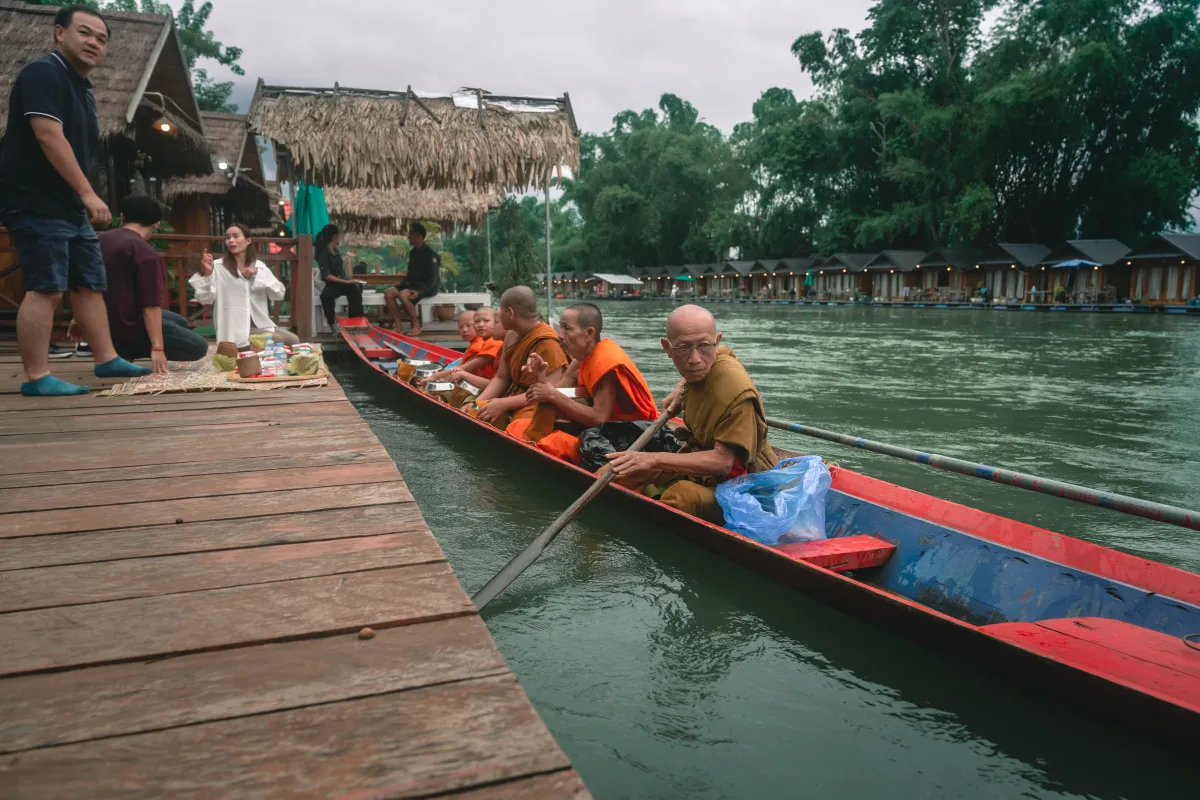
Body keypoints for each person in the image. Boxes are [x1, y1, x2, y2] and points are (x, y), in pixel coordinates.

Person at [0, 5, 151, 395]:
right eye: (84, 33)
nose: (93, 43)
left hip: (68, 202)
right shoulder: (43, 73)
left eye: (101, 39)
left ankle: (107, 358)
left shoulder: (83, 89)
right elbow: (48, 135)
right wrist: (87, 192)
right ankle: (36, 377)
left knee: (88, 281)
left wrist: (81, 193)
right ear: (59, 33)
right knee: (46, 285)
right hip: (34, 198)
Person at [607, 305, 778, 523]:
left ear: (715, 341)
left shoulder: (736, 390)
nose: (695, 359)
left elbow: (723, 462)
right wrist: (682, 386)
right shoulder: (707, 360)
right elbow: (724, 350)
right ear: (667, 348)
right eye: (683, 348)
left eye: (704, 346)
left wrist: (654, 459)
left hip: (745, 486)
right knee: (614, 472)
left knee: (679, 498)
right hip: (704, 468)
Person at [525, 303, 659, 464]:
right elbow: (557, 391)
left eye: (567, 329)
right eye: (561, 327)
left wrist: (552, 394)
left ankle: (532, 447)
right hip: (606, 426)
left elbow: (599, 418)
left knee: (555, 437)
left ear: (589, 333)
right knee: (539, 411)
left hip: (635, 433)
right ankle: (532, 443)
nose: (560, 335)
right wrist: (541, 377)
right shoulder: (582, 357)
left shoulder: (605, 361)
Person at [95, 195, 206, 372]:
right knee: (199, 347)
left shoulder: (99, 240)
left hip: (98, 322)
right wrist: (157, 348)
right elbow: (151, 306)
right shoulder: (145, 253)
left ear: (122, 217)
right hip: (126, 328)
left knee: (179, 322)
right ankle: (124, 351)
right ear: (156, 224)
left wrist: (78, 320)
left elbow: (84, 286)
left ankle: (119, 348)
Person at [474, 286, 568, 436]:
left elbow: (550, 392)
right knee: (473, 413)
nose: (498, 313)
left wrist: (503, 404)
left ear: (510, 313)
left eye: (500, 309)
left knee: (518, 432)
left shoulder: (547, 343)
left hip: (537, 404)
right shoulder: (511, 335)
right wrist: (476, 404)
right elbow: (501, 378)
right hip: (512, 396)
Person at [189, 223, 295, 348]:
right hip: (235, 330)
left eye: (235, 236)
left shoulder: (259, 266)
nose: (231, 240)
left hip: (260, 325)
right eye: (228, 237)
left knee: (293, 340)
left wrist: (258, 273)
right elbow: (205, 299)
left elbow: (279, 293)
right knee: (277, 340)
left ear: (248, 241)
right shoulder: (218, 266)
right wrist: (208, 274)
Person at [384, 222, 440, 337]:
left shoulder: (431, 255)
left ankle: (416, 326)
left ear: (418, 236)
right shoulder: (413, 252)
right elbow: (411, 274)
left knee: (403, 295)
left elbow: (433, 278)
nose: (408, 237)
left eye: (410, 234)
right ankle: (398, 326)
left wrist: (420, 291)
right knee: (388, 293)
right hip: (412, 285)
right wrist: (400, 285)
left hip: (426, 287)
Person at [430, 307, 503, 390]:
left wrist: (436, 376)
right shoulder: (484, 342)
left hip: (489, 386)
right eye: (476, 322)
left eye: (486, 321)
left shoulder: (493, 342)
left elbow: (463, 368)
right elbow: (460, 366)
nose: (481, 325)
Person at [315, 224, 363, 330]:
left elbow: (339, 268)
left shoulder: (336, 251)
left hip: (343, 282)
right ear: (334, 236)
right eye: (339, 235)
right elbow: (327, 276)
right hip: (333, 284)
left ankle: (354, 322)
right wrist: (347, 282)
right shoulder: (323, 254)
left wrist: (349, 280)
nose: (340, 238)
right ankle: (332, 323)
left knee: (355, 290)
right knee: (326, 296)